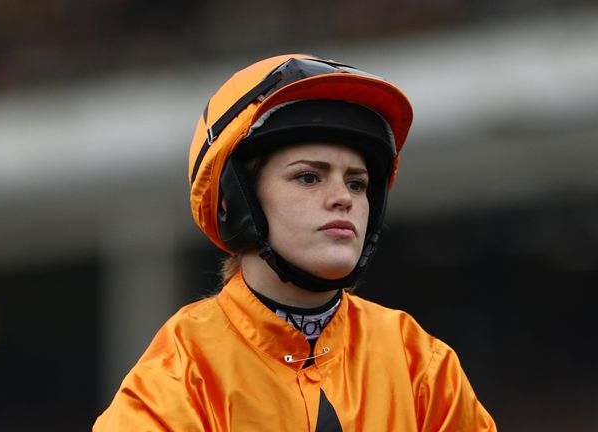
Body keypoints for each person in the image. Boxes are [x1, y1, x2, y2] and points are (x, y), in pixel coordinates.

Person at [94, 53, 497, 431]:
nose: (343, 198)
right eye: (309, 177)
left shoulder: (420, 364)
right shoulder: (177, 376)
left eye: (357, 183)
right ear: (237, 201)